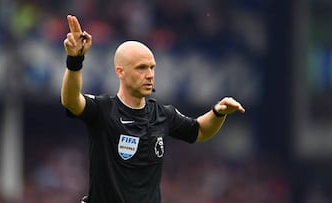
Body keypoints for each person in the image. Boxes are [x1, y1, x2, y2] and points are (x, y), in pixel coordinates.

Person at [61, 15, 245, 203]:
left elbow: (199, 131)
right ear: (120, 71)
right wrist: (75, 60)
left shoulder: (162, 114)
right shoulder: (103, 109)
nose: (149, 75)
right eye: (141, 68)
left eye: (152, 68)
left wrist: (218, 112)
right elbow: (71, 101)